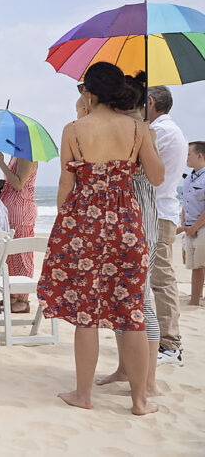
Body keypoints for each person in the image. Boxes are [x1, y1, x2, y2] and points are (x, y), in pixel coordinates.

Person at [37, 61, 164, 416]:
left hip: (84, 229)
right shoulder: (138, 128)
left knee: (85, 314)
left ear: (90, 93)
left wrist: (67, 224)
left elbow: (65, 188)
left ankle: (83, 394)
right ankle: (139, 401)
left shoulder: (73, 130)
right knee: (131, 312)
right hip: (126, 226)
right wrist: (144, 140)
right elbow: (155, 177)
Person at [96, 74, 163, 398]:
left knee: (141, 300)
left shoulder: (142, 130)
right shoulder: (128, 128)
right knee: (122, 299)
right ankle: (125, 368)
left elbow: (157, 176)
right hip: (123, 221)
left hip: (142, 220)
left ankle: (148, 380)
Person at [147, 85, 188, 366]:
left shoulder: (161, 131)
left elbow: (143, 167)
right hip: (160, 211)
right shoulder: (165, 130)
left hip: (160, 212)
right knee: (158, 279)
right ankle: (162, 340)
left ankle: (170, 345)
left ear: (150, 103)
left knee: (162, 279)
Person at [0, 151, 38, 312]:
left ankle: (23, 299)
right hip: (9, 208)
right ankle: (12, 295)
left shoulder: (28, 155)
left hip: (21, 210)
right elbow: (11, 182)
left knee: (22, 254)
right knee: (10, 255)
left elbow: (19, 184)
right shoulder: (16, 155)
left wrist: (1, 164)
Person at [182, 141, 205, 307]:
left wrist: (195, 227)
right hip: (190, 227)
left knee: (201, 264)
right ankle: (195, 299)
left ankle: (195, 300)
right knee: (194, 264)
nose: (185, 157)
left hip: (201, 226)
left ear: (199, 155)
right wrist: (185, 225)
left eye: (188, 154)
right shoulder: (188, 178)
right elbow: (185, 203)